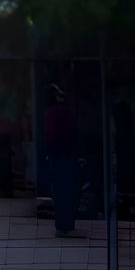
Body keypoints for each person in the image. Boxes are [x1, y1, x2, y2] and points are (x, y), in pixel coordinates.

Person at [43, 85, 79, 236]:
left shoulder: (50, 113)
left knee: (58, 189)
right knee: (68, 190)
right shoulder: (69, 113)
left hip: (56, 154)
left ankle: (61, 224)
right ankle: (67, 223)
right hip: (68, 155)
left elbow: (49, 135)